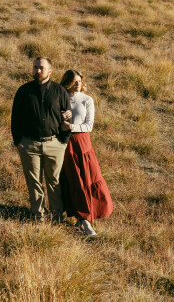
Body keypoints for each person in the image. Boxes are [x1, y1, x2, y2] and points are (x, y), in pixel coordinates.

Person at [10, 57, 72, 220]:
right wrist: (19, 142)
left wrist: (64, 141)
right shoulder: (24, 91)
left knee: (55, 181)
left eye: (41, 68)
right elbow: (15, 117)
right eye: (35, 67)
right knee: (34, 181)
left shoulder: (60, 91)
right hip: (29, 144)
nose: (37, 71)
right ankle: (38, 214)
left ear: (50, 71)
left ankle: (57, 215)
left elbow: (67, 116)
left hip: (54, 143)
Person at [58, 69, 113, 237]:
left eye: (79, 81)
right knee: (74, 179)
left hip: (82, 143)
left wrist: (71, 126)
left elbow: (89, 125)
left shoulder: (87, 100)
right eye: (74, 81)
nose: (77, 84)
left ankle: (88, 216)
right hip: (66, 143)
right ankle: (82, 219)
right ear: (67, 82)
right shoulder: (60, 98)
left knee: (89, 177)